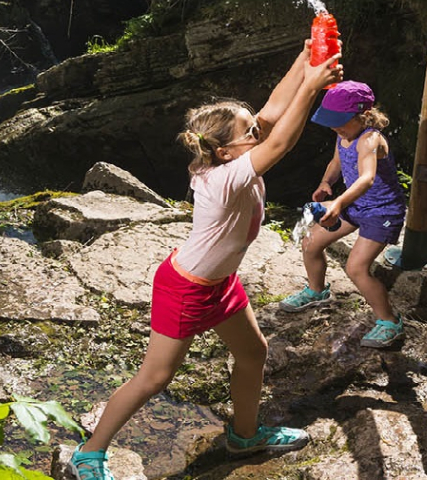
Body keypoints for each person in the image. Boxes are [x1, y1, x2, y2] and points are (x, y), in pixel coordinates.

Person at [68, 42, 344, 480]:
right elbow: (283, 141)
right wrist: (311, 87)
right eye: (250, 131)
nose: (259, 132)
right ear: (225, 152)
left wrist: (306, 58)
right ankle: (89, 453)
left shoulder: (229, 156)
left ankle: (244, 436)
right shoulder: (225, 179)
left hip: (220, 283)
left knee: (253, 352)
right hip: (187, 288)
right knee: (155, 378)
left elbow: (274, 110)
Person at [277, 81, 409, 349]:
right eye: (332, 123)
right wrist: (326, 182)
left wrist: (338, 203)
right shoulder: (344, 135)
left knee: (356, 268)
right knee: (311, 242)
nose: (335, 128)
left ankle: (389, 321)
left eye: (340, 123)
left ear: (363, 115)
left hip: (382, 210)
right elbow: (336, 162)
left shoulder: (370, 139)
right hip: (356, 204)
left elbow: (367, 178)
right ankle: (316, 291)